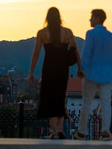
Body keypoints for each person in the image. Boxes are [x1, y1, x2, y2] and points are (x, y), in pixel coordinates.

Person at [28, 7, 82, 139]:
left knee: (50, 98)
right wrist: (79, 68)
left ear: (47, 18)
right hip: (63, 69)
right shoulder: (67, 32)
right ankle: (61, 130)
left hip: (49, 68)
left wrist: (31, 72)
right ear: (59, 17)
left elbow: (36, 53)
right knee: (60, 97)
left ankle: (54, 132)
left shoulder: (42, 33)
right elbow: (76, 51)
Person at [74, 9, 112, 141]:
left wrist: (81, 68)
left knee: (87, 102)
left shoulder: (91, 34)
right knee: (106, 103)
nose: (90, 20)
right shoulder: (111, 36)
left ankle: (81, 132)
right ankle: (105, 131)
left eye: (92, 17)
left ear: (97, 18)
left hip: (91, 73)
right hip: (107, 74)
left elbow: (87, 53)